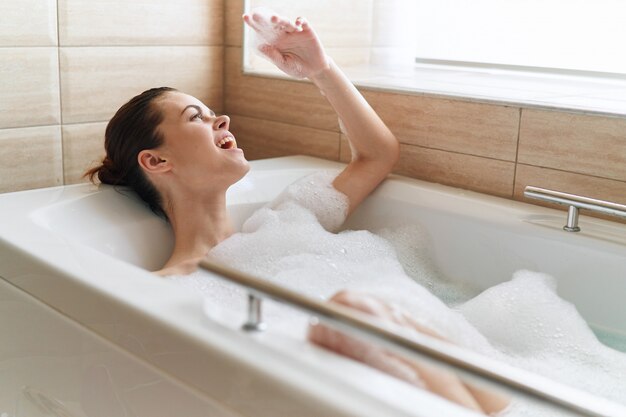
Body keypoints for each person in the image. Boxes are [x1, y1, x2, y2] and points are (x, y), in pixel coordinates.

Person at [86, 9, 509, 415]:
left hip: (466, 390)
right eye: (197, 117)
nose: (222, 120)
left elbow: (377, 155)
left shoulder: (286, 221)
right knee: (350, 313)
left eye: (215, 113)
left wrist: (320, 69)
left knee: (353, 312)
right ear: (157, 162)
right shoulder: (160, 290)